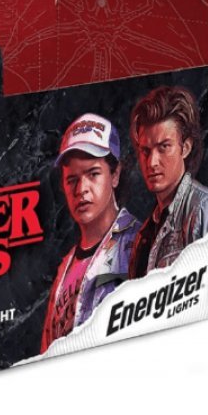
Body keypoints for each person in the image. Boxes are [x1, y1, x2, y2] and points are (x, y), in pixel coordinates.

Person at [41, 113, 138, 353]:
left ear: (115, 175)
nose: (81, 189)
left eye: (93, 174)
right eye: (72, 180)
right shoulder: (64, 269)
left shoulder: (140, 244)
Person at [128, 85, 208, 278]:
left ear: (185, 148)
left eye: (164, 147)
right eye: (145, 151)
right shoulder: (143, 237)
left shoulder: (206, 210)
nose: (152, 162)